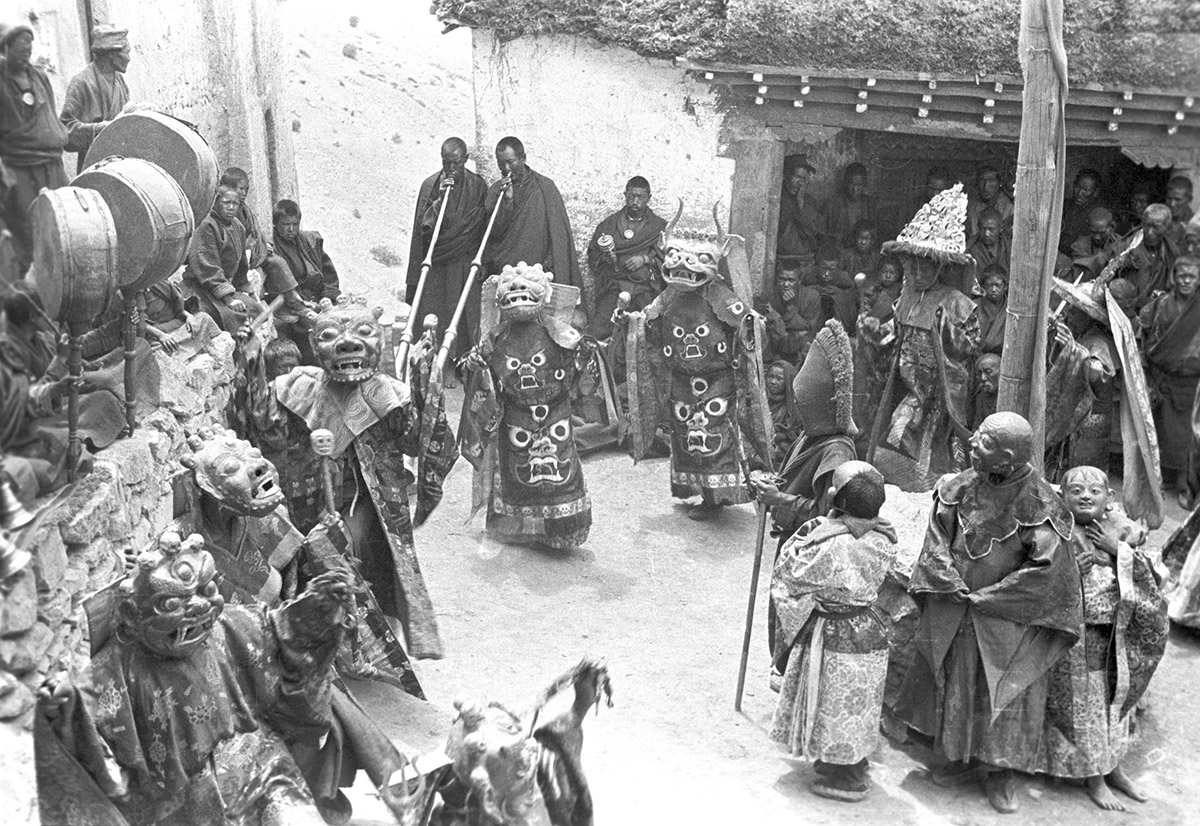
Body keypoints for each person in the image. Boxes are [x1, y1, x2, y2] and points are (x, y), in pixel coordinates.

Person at [895, 412, 1082, 814]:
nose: (972, 445)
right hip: (956, 604)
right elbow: (936, 538)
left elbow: (1047, 573)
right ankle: (957, 759)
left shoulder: (1043, 505)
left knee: (1004, 690)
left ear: (1009, 456)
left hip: (1007, 619)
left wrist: (991, 597)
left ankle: (1001, 773)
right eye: (977, 436)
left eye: (983, 443)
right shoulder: (959, 487)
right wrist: (949, 581)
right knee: (955, 680)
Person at [1038, 466, 1167, 812]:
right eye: (1076, 490)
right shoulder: (1056, 533)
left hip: (1116, 635)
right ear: (1061, 498)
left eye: (1094, 491)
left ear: (1109, 499)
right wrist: (1069, 572)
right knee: (1085, 708)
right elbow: (1037, 580)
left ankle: (1115, 769)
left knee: (1116, 701)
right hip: (1078, 639)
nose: (1085, 496)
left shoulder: (1121, 532)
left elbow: (1155, 578)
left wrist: (1117, 552)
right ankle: (1094, 776)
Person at [769, 460, 898, 802]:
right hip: (868, 628)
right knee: (856, 706)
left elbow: (791, 572)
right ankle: (850, 762)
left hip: (834, 632)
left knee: (831, 702)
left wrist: (812, 532)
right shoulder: (884, 537)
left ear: (832, 498)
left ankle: (847, 779)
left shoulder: (831, 545)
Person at [459, 263, 593, 548]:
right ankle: (513, 528)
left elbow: (575, 371)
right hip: (515, 417)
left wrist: (583, 357)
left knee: (561, 472)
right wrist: (472, 365)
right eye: (511, 290)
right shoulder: (495, 337)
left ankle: (563, 530)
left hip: (554, 413)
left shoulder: (560, 334)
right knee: (516, 471)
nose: (519, 293)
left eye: (527, 289)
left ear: (544, 296)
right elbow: (476, 371)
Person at [753, 320, 859, 678]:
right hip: (792, 541)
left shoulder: (836, 454)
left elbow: (827, 516)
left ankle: (788, 675)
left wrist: (779, 498)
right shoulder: (812, 436)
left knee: (792, 611)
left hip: (810, 550)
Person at [864, 183, 979, 492]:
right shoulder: (906, 295)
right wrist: (877, 333)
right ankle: (901, 485)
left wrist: (946, 329)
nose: (916, 270)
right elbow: (895, 333)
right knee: (898, 430)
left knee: (931, 439)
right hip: (907, 382)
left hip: (940, 386)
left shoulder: (956, 300)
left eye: (923, 264)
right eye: (911, 264)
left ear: (939, 265)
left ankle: (933, 488)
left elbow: (970, 346)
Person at [406, 137, 488, 360]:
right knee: (437, 313)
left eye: (457, 163)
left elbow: (482, 224)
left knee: (464, 315)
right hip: (437, 262)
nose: (452, 169)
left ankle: (464, 361)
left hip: (464, 260)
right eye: (446, 163)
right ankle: (433, 361)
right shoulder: (430, 185)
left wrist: (484, 261)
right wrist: (441, 199)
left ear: (466, 160)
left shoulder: (477, 185)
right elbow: (424, 231)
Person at [0, 25, 68, 274]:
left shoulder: (39, 77)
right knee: (27, 230)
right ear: (5, 48)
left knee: (62, 224)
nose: (26, 49)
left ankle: (59, 286)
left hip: (52, 164)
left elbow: (49, 117)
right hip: (19, 168)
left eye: (29, 43)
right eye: (20, 45)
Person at [484, 136, 582, 295]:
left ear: (523, 158)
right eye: (500, 163)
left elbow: (559, 235)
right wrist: (507, 201)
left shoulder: (545, 187)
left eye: (510, 161)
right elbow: (493, 233)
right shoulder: (497, 190)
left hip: (540, 270)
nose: (506, 168)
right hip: (507, 272)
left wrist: (548, 264)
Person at [1139, 255, 1200, 501]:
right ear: (1174, 278)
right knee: (1163, 434)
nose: (1186, 280)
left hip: (1193, 385)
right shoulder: (1160, 305)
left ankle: (1187, 485)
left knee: (1191, 438)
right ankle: (1160, 481)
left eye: (1191, 276)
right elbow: (1144, 339)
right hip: (1162, 380)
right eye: (1182, 275)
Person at [220, 167, 314, 324]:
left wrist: (263, 244)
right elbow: (235, 237)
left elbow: (254, 231)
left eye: (246, 189)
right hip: (236, 255)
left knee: (277, 258)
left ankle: (291, 300)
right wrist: (257, 248)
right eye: (240, 189)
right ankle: (293, 300)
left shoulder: (244, 209)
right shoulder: (227, 212)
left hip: (251, 251)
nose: (243, 193)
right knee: (276, 262)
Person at [586, 175, 667, 340]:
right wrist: (605, 259)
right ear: (625, 195)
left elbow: (669, 259)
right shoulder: (609, 225)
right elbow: (593, 255)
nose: (635, 201)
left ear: (649, 198)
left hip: (645, 289)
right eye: (632, 196)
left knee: (652, 334)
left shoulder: (658, 227)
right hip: (615, 287)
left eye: (640, 197)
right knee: (596, 333)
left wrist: (646, 259)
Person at [180, 184, 262, 331]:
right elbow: (207, 266)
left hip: (223, 287)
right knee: (233, 317)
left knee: (255, 309)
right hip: (201, 286)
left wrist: (246, 288)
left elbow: (242, 263)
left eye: (235, 203)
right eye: (226, 203)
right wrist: (228, 298)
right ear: (216, 203)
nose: (231, 207)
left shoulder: (238, 227)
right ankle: (237, 351)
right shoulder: (206, 225)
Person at [60, 24, 130, 173]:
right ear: (111, 54)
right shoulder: (81, 82)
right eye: (126, 52)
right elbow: (66, 130)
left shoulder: (119, 80)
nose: (129, 58)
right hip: (94, 166)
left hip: (122, 163)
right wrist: (100, 129)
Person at [1119, 204, 1178, 312]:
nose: (1150, 232)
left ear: (1168, 228)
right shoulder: (1126, 246)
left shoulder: (1172, 254)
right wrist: (1124, 262)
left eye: (1156, 227)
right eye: (1147, 225)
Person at [761, 263, 820, 366]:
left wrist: (789, 307)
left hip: (800, 346)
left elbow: (809, 328)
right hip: (776, 345)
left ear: (800, 280)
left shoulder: (812, 297)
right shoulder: (770, 296)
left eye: (791, 280)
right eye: (782, 279)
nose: (786, 284)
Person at [777, 155, 824, 272]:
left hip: (805, 262)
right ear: (786, 175)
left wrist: (801, 203)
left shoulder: (810, 201)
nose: (800, 183)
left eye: (804, 179)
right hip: (781, 261)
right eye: (797, 177)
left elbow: (816, 230)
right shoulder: (777, 199)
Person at [822, 162, 877, 248]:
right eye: (852, 184)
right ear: (845, 183)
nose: (855, 189)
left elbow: (874, 234)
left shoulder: (870, 204)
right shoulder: (832, 204)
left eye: (859, 185)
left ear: (865, 184)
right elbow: (822, 234)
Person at [1063, 207, 1120, 281]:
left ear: (1113, 227)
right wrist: (1103, 258)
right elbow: (1079, 274)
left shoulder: (1120, 243)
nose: (1097, 237)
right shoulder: (1079, 246)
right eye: (1093, 232)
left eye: (1102, 233)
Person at [1059, 168, 1105, 254]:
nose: (1079, 193)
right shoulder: (1062, 205)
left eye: (1086, 190)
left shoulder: (1097, 216)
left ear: (1096, 192)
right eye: (1077, 187)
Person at [965, 208, 1011, 293]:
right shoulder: (971, 251)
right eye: (983, 229)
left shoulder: (1010, 249)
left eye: (991, 229)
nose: (986, 233)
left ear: (1001, 228)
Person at [764, 359, 800, 467]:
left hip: (782, 454)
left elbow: (797, 434)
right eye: (770, 377)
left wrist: (780, 436)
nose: (773, 382)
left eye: (779, 378)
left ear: (788, 381)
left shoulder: (795, 407)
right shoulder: (760, 402)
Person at [965, 165, 1013, 240]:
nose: (986, 186)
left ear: (999, 183)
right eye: (982, 181)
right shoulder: (972, 207)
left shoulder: (1008, 209)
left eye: (991, 181)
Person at [975, 265, 1008, 354]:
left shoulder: (1011, 309)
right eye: (989, 285)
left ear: (1005, 287)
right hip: (978, 356)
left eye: (998, 285)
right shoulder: (974, 306)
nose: (994, 289)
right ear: (983, 287)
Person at [1166, 175, 1195, 251]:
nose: (1172, 204)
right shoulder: (1159, 219)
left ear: (1190, 199)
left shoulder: (1196, 225)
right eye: (1169, 198)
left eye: (1177, 200)